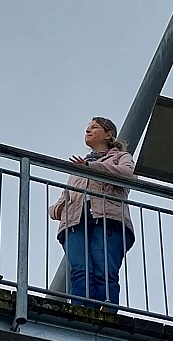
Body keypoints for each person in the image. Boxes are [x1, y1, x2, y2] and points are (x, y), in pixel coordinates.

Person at [48, 117, 136, 306]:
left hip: (107, 218)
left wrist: (91, 168)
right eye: (87, 128)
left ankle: (105, 313)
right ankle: (82, 312)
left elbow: (128, 175)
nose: (88, 131)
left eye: (94, 127)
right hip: (75, 222)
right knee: (80, 271)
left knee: (104, 270)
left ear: (108, 134)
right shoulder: (79, 166)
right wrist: (57, 210)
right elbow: (65, 196)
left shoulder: (120, 157)